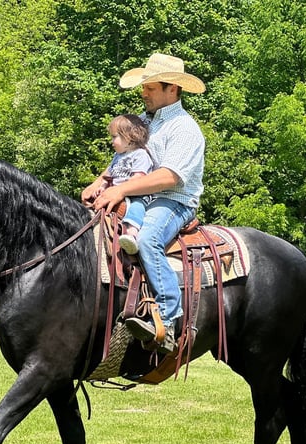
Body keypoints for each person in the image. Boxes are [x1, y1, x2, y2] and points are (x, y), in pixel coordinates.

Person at [82, 53, 206, 354]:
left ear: (172, 89)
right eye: (144, 86)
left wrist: (121, 190)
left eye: (151, 87)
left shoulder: (184, 128)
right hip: (139, 197)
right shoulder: (144, 123)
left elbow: (170, 176)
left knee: (148, 240)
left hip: (172, 201)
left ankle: (168, 319)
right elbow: (124, 157)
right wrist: (100, 182)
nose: (144, 92)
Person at [96, 114, 154, 255]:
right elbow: (109, 176)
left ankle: (132, 233)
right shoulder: (118, 157)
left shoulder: (140, 155)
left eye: (114, 137)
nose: (111, 141)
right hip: (116, 194)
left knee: (137, 207)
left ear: (128, 138)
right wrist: (102, 187)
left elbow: (138, 178)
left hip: (135, 194)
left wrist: (120, 189)